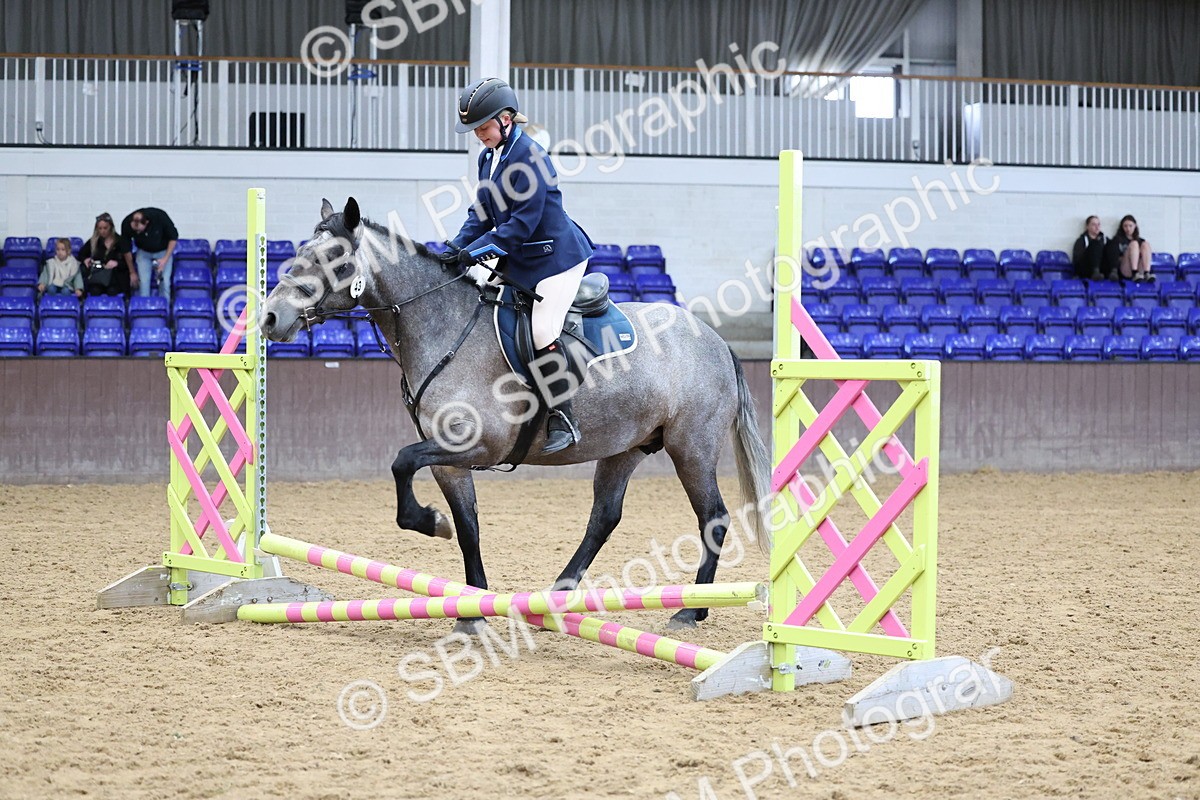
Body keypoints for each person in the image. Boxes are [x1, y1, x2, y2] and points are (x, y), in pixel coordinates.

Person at [439, 77, 595, 454]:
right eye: (474, 129)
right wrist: (456, 246)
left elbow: (519, 227)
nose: (479, 134)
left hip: (556, 259)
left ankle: (563, 416)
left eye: (484, 126)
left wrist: (473, 254)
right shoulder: (487, 157)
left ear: (507, 119)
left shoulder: (531, 158)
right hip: (523, 259)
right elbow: (482, 213)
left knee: (542, 330)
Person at [120, 207, 179, 299]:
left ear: (146, 223)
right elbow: (126, 249)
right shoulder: (126, 223)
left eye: (139, 230)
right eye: (135, 231)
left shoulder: (160, 217)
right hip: (143, 252)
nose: (137, 233)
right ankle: (145, 308)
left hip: (163, 251)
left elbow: (173, 238)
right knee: (143, 282)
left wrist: (165, 260)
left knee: (165, 282)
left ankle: (164, 307)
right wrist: (132, 272)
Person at [78, 213, 133, 297]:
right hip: (98, 278)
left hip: (116, 278)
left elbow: (128, 262)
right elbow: (81, 254)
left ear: (111, 227)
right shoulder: (94, 241)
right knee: (94, 291)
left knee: (112, 291)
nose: (102, 231)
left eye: (105, 228)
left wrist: (117, 263)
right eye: (100, 228)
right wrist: (86, 259)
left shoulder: (120, 241)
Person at [1104, 214, 1153, 282]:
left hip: (1140, 269)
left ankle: (1147, 273)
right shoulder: (1117, 240)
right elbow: (1115, 258)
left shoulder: (1141, 240)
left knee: (1145, 245)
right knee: (1134, 244)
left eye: (1130, 226)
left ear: (1135, 226)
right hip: (1126, 269)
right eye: (1125, 226)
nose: (1128, 229)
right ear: (1122, 227)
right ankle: (1134, 273)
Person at [1071, 215, 1109, 280]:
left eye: (1098, 225)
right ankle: (1095, 271)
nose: (1097, 227)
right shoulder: (1081, 241)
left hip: (1102, 269)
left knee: (1113, 244)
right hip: (1086, 270)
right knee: (1095, 244)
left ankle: (1114, 272)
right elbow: (1077, 261)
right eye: (1094, 225)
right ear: (1087, 226)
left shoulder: (1105, 239)